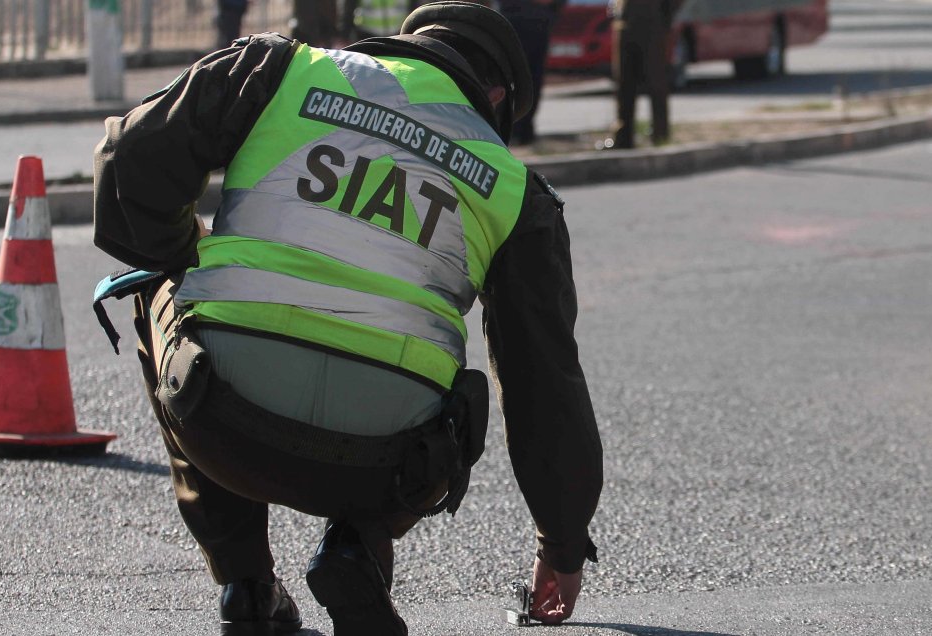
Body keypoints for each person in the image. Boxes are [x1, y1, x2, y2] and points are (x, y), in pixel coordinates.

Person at [92, 2, 602, 635]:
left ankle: (246, 587)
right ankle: (357, 547)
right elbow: (544, 384)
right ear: (495, 95)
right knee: (455, 378)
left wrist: (180, 254)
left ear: (401, 47)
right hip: (385, 467)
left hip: (220, 419)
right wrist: (561, 544)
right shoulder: (514, 190)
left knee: (158, 284)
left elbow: (129, 158)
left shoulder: (281, 69)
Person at [607, 0, 675, 148]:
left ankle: (660, 134)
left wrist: (664, 17)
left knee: (655, 81)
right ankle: (623, 136)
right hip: (624, 22)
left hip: (652, 24)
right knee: (624, 84)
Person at [498, 0, 566, 145]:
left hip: (537, 20)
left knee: (532, 78)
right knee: (514, 78)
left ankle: (523, 131)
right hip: (514, 20)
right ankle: (515, 130)